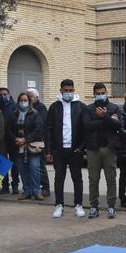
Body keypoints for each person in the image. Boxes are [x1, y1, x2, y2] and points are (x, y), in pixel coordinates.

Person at [45, 79, 86, 218]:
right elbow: (49, 129)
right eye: (66, 90)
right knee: (59, 178)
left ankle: (78, 205)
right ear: (61, 90)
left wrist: (81, 147)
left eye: (71, 90)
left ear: (74, 90)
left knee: (77, 178)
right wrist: (49, 151)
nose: (68, 93)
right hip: (59, 149)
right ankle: (59, 205)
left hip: (75, 149)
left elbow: (85, 129)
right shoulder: (54, 107)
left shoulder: (81, 106)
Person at [82, 82, 123, 219]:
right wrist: (106, 120)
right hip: (93, 149)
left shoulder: (114, 108)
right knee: (93, 179)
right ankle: (94, 206)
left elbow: (118, 125)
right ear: (94, 94)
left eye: (102, 93)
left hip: (109, 149)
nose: (100, 95)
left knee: (111, 179)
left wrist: (104, 117)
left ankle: (111, 206)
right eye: (98, 93)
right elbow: (87, 126)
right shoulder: (88, 109)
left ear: (107, 93)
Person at [11, 91, 46, 201]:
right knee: (22, 169)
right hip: (18, 145)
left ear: (29, 102)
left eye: (25, 100)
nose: (23, 102)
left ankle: (36, 191)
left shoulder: (34, 114)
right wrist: (15, 139)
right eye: (21, 100)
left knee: (34, 168)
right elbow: (8, 129)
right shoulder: (14, 114)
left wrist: (26, 139)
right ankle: (27, 191)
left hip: (32, 145)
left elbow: (39, 129)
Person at [27, 88, 51, 197]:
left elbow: (40, 125)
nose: (28, 98)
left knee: (40, 165)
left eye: (31, 96)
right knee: (31, 166)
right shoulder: (26, 108)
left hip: (38, 142)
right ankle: (33, 187)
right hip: (27, 142)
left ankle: (45, 187)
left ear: (37, 97)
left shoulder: (41, 108)